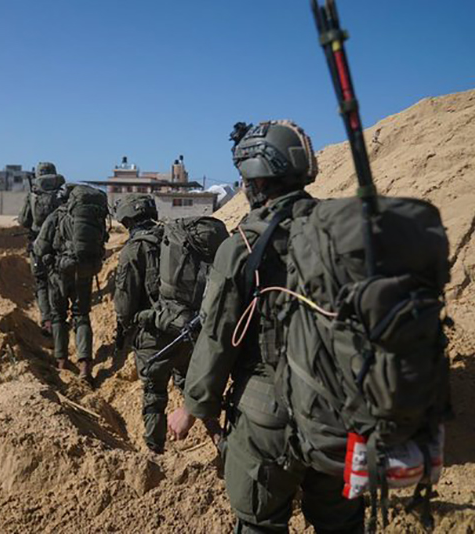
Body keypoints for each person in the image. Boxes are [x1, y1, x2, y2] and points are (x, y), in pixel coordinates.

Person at [167, 120, 365, 533]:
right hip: (339, 413)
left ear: (257, 181)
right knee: (341, 525)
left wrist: (192, 407)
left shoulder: (242, 246)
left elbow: (218, 338)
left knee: (260, 523)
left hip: (267, 418)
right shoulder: (345, 233)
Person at [113, 194, 191, 453]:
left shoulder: (133, 250)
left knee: (154, 396)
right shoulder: (174, 237)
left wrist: (127, 328)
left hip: (153, 335)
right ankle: (219, 440)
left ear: (127, 220)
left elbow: (124, 304)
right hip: (186, 329)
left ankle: (155, 453)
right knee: (192, 393)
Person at [35, 184, 107, 382]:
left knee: (58, 316)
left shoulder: (56, 216)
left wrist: (49, 257)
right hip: (85, 273)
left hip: (59, 273)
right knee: (81, 315)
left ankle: (61, 360)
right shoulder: (93, 217)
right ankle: (85, 365)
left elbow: (40, 247)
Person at [18, 162, 65, 336]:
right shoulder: (63, 193)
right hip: (60, 245)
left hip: (38, 244)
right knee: (59, 281)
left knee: (41, 283)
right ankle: (61, 318)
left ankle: (47, 321)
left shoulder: (33, 194)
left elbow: (24, 220)